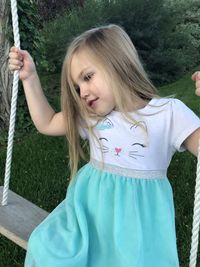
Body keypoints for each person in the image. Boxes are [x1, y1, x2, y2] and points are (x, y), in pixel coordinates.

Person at [8, 24, 200, 267]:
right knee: (44, 247)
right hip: (89, 222)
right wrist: (30, 77)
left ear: (119, 63)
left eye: (88, 77)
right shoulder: (93, 117)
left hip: (137, 230)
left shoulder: (169, 113)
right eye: (77, 87)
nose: (83, 92)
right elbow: (46, 123)